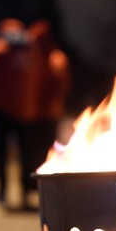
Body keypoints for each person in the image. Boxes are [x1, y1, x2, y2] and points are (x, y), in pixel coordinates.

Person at [0, 19, 41, 207]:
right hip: (24, 109)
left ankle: (2, 190)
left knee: (2, 152)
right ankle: (26, 192)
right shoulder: (31, 50)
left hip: (2, 109)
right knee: (26, 154)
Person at [28, 20, 70, 183]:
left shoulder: (56, 59)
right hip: (31, 113)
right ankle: (31, 185)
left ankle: (43, 183)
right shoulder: (32, 59)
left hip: (48, 113)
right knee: (31, 152)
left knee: (45, 150)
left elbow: (62, 85)